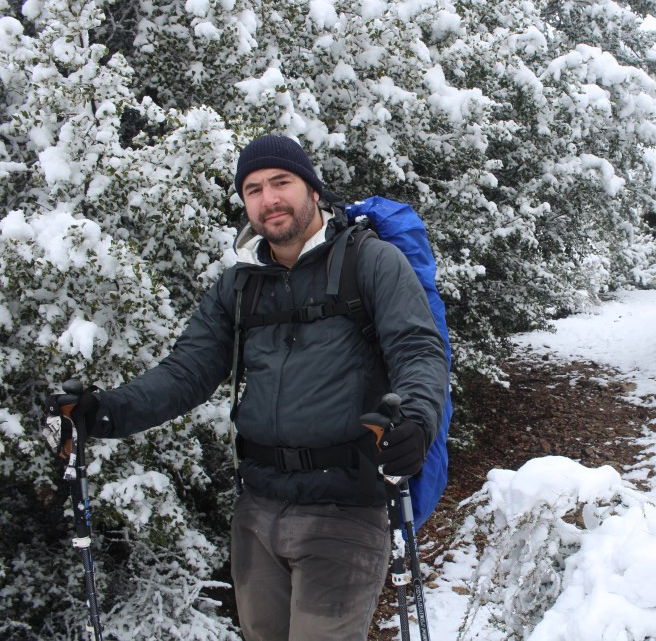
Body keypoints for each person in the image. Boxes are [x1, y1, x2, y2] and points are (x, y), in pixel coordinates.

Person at [43, 134, 449, 641]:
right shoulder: (239, 285)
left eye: (282, 183)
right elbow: (186, 371)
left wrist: (416, 418)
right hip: (257, 509)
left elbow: (418, 348)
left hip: (345, 508)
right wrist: (104, 412)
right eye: (253, 189)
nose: (269, 199)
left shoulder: (370, 261)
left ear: (313, 191)